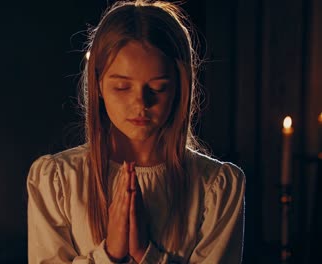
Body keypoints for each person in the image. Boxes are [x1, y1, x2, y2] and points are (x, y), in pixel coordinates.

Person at [27, 0, 245, 263]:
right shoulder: (57, 182)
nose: (141, 103)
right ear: (97, 85)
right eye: (122, 87)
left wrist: (146, 254)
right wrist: (110, 254)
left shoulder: (215, 188)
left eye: (158, 88)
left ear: (179, 87)